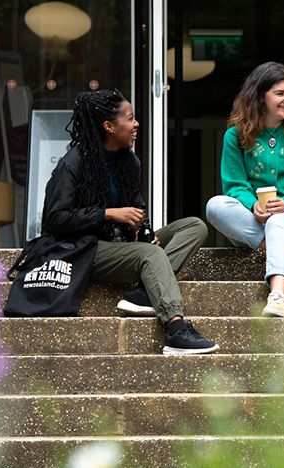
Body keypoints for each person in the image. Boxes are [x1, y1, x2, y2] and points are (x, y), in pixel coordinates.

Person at [42, 89, 219, 355]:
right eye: (130, 118)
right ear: (109, 127)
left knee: (194, 226)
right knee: (149, 255)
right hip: (84, 249)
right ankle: (175, 329)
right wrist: (108, 213)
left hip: (122, 246)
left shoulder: (129, 162)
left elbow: (136, 209)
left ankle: (142, 293)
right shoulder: (74, 162)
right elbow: (54, 220)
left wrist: (141, 231)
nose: (136, 124)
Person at [206, 62, 284, 317]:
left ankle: (278, 295)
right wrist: (253, 205)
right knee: (215, 206)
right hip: (258, 218)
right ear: (260, 96)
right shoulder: (236, 134)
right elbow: (234, 185)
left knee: (278, 224)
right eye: (280, 93)